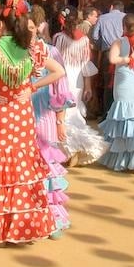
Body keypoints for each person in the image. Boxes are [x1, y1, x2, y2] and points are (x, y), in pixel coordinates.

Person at [0, 0, 65, 245]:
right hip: (22, 112)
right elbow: (59, 71)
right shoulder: (33, 48)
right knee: (21, 166)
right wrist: (32, 87)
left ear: (2, 24)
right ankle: (19, 227)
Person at [28, 15, 71, 238]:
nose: (28, 31)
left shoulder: (51, 52)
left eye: (32, 27)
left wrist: (60, 120)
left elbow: (60, 88)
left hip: (44, 116)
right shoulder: (15, 52)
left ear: (39, 27)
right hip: (21, 117)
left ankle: (50, 218)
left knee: (45, 165)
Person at [53, 9, 108, 166]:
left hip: (62, 76)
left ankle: (66, 150)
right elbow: (86, 64)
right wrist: (89, 86)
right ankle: (75, 147)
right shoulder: (84, 40)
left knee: (62, 113)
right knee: (75, 111)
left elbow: (54, 61)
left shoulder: (58, 38)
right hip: (78, 79)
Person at [99, 13, 134, 172]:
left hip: (124, 83)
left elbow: (113, 60)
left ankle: (120, 159)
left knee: (123, 116)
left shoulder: (119, 41)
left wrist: (128, 59)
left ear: (123, 26)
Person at [92, 1, 125, 117]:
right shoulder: (125, 18)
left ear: (111, 7)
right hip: (124, 53)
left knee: (108, 84)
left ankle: (107, 113)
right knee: (122, 82)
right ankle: (120, 113)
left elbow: (95, 36)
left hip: (108, 52)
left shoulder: (102, 18)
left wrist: (102, 45)